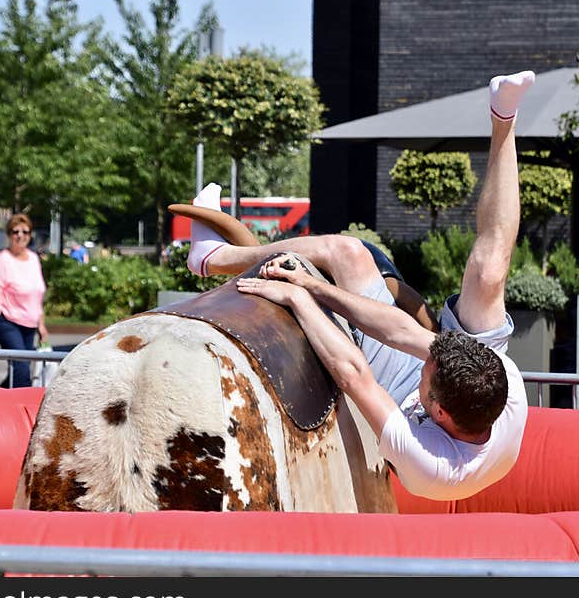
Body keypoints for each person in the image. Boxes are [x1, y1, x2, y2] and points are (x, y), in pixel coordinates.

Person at [179, 71, 533, 501]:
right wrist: (322, 289)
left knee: (340, 252)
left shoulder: (432, 463)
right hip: (462, 385)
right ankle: (505, 117)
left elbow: (354, 373)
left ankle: (214, 258)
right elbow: (403, 333)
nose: (427, 352)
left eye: (429, 367)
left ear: (435, 409)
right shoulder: (500, 379)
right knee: (488, 272)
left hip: (399, 400)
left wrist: (299, 294)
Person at [0, 214, 49, 388]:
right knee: (21, 370)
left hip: (29, 323)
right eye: (15, 231)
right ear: (9, 234)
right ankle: (16, 408)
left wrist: (41, 324)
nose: (20, 235)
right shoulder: (2, 260)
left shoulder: (34, 259)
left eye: (25, 232)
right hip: (8, 321)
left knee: (20, 371)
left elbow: (37, 294)